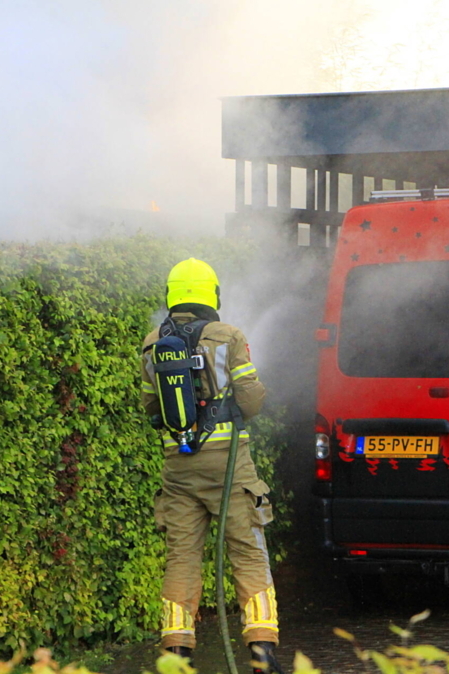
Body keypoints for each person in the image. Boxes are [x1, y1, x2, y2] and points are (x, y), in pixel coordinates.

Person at [141, 258, 283, 674]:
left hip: (178, 470)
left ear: (172, 296)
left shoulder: (152, 344)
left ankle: (175, 658)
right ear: (212, 295)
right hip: (229, 471)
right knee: (248, 554)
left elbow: (150, 407)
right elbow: (252, 401)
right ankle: (262, 658)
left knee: (181, 559)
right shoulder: (229, 336)